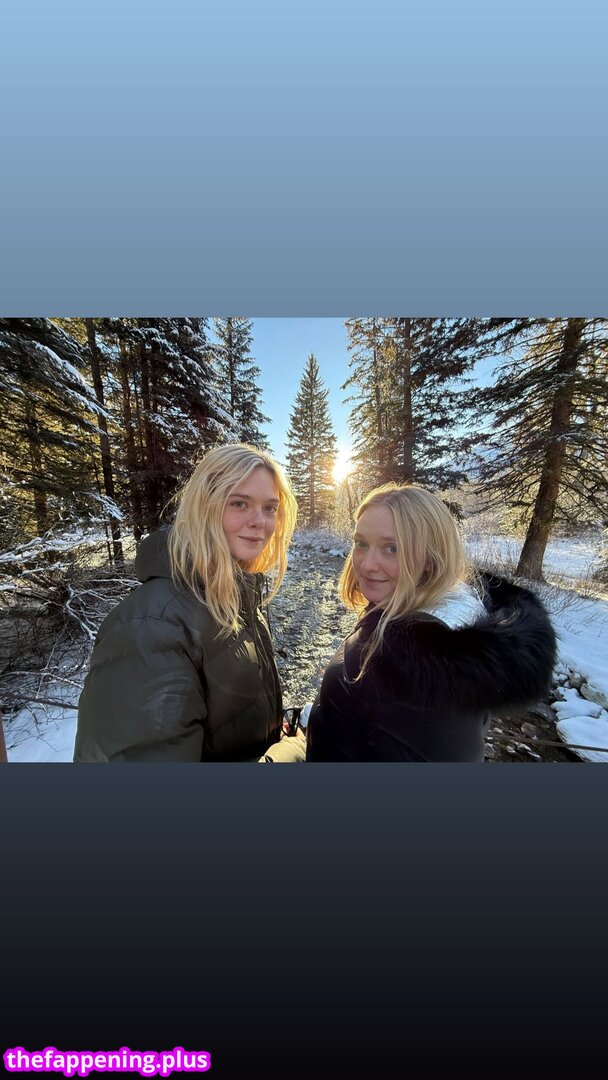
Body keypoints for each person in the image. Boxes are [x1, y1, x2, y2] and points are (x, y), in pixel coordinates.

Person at [74, 443, 297, 762]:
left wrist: (272, 735)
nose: (259, 521)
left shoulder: (234, 599)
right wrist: (289, 756)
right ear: (204, 506)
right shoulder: (152, 629)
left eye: (270, 508)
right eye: (239, 503)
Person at [306, 483, 556, 762]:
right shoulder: (464, 623)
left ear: (430, 558)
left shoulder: (400, 659)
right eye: (361, 543)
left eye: (391, 548)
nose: (366, 565)